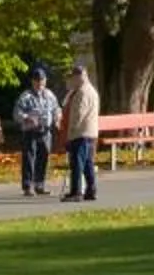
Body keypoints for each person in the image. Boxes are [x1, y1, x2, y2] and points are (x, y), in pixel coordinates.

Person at [12, 67, 59, 197]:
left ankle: (40, 185)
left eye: (42, 80)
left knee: (44, 157)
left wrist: (57, 116)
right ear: (32, 81)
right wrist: (26, 117)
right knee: (29, 158)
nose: (40, 83)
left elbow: (56, 108)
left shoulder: (49, 94)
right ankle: (28, 186)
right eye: (37, 81)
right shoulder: (26, 96)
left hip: (46, 131)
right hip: (30, 131)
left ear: (46, 80)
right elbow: (16, 113)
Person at [58, 63, 100, 202]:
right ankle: (91, 189)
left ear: (81, 76)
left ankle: (76, 192)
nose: (72, 80)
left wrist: (70, 134)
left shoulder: (82, 92)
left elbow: (78, 115)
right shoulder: (91, 91)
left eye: (74, 77)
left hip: (80, 133)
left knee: (77, 163)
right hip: (89, 132)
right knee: (87, 163)